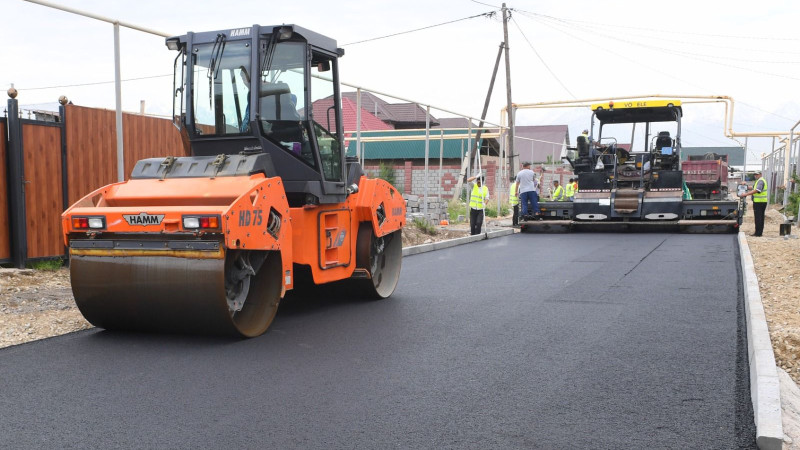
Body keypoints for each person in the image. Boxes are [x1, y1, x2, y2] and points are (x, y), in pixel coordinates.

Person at [739, 171, 768, 237]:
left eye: (757, 174)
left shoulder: (760, 181)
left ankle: (758, 233)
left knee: (758, 218)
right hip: (760, 202)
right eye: (755, 175)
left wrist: (746, 194)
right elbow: (753, 188)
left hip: (759, 202)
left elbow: (757, 190)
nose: (755, 176)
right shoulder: (759, 181)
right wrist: (746, 186)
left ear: (760, 174)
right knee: (760, 217)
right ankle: (759, 232)